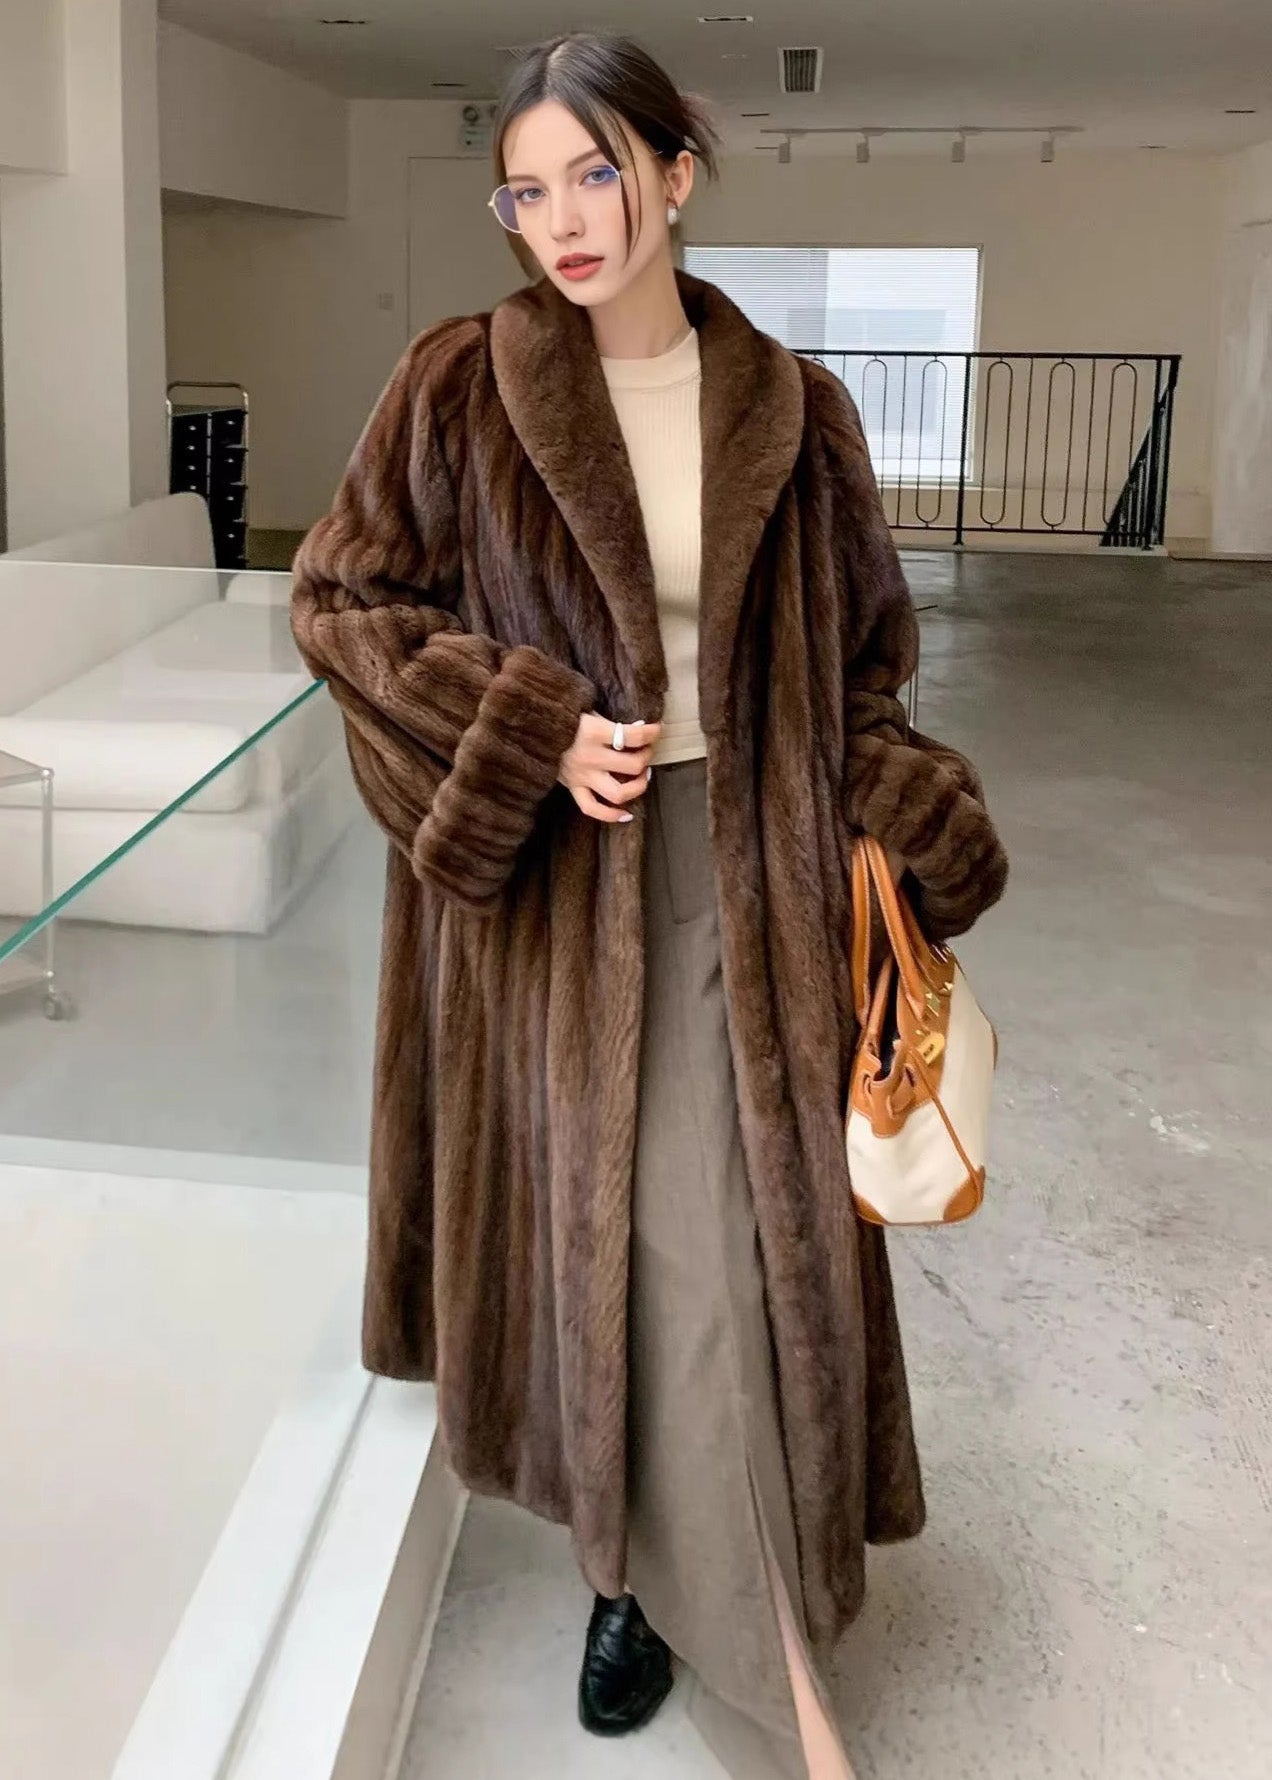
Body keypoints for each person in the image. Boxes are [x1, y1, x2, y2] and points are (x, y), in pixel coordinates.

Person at [291, 30, 1008, 1780]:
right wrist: (527, 730)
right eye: (526, 191)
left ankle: (682, 1597)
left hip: (754, 873)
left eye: (595, 174)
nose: (563, 219)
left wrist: (906, 817)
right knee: (632, 1248)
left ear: (675, 177)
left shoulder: (797, 410)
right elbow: (341, 601)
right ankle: (727, 1659)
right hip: (554, 898)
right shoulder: (458, 385)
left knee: (740, 1258)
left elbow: (865, 665)